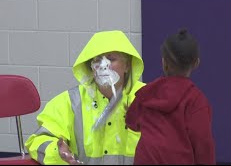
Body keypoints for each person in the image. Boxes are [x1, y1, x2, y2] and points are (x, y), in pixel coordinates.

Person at [25, 30, 145, 165]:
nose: (103, 65)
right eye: (97, 60)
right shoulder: (70, 102)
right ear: (91, 67)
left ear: (127, 65)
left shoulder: (146, 98)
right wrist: (57, 152)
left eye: (111, 59)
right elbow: (37, 140)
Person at [125, 28, 216, 165]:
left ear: (164, 62)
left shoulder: (148, 92)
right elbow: (203, 143)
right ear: (196, 63)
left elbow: (132, 122)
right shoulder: (197, 100)